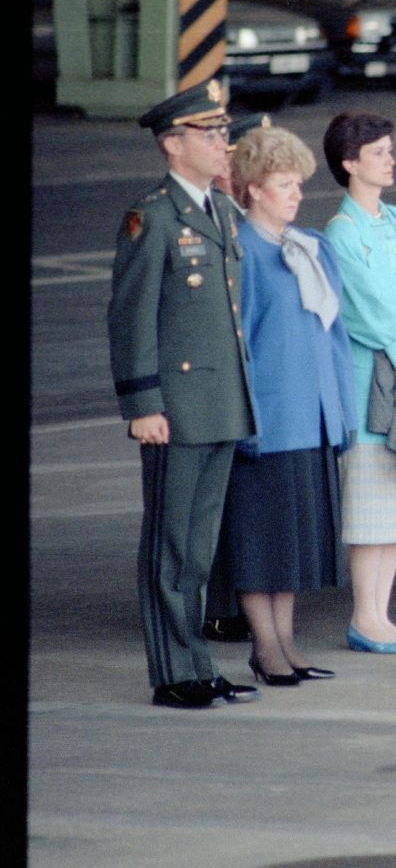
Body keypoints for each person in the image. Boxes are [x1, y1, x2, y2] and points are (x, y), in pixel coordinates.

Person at [106, 79, 259, 708]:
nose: (225, 142)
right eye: (212, 133)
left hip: (221, 403)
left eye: (225, 130)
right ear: (174, 144)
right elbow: (130, 317)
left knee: (199, 547)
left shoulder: (221, 211)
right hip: (176, 407)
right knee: (171, 546)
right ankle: (173, 673)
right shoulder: (155, 217)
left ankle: (197, 662)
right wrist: (142, 404)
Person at [224, 125, 356, 686]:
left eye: (298, 184)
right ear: (253, 188)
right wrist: (245, 419)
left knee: (295, 541)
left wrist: (343, 410)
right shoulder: (241, 250)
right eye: (283, 184)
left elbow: (336, 336)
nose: (297, 194)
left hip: (315, 415)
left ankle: (285, 641)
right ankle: (265, 645)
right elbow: (238, 344)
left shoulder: (309, 245)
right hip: (271, 419)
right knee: (261, 542)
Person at [323, 111, 396, 654]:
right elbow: (362, 309)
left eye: (391, 150)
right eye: (378, 153)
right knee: (371, 502)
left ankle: (381, 615)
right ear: (349, 164)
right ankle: (363, 616)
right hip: (372, 376)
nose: (390, 160)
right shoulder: (340, 231)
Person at [202, 109, 272, 645]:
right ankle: (219, 604)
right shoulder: (213, 215)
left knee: (241, 498)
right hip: (217, 379)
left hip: (255, 378)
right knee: (217, 500)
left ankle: (234, 601)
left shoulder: (249, 217)